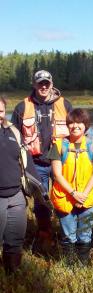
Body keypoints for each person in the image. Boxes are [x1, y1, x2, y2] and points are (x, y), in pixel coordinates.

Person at [11, 70, 72, 254]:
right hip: (35, 163)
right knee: (41, 201)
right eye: (40, 83)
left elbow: (78, 131)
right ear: (34, 84)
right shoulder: (22, 107)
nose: (44, 86)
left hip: (61, 162)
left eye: (47, 83)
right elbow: (14, 136)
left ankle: (69, 234)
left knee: (65, 197)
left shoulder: (65, 104)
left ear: (52, 84)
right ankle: (45, 233)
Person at [48, 108, 93, 265]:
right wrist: (73, 193)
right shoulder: (58, 146)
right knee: (68, 235)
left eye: (79, 123)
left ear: (86, 125)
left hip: (88, 197)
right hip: (65, 198)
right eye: (71, 123)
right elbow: (57, 175)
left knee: (85, 235)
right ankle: (70, 264)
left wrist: (83, 195)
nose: (75, 126)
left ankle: (83, 263)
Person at [0, 97, 40, 274]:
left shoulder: (13, 132)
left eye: (1, 110)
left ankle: (13, 275)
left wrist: (39, 187)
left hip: (17, 196)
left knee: (15, 240)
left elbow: (26, 161)